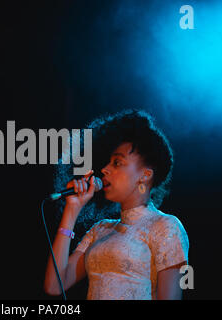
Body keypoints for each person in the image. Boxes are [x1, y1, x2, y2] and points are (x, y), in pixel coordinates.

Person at [43, 109, 189, 300]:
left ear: (145, 175)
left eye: (117, 163)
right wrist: (72, 209)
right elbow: (54, 286)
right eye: (108, 162)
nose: (104, 169)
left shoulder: (166, 226)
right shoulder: (100, 229)